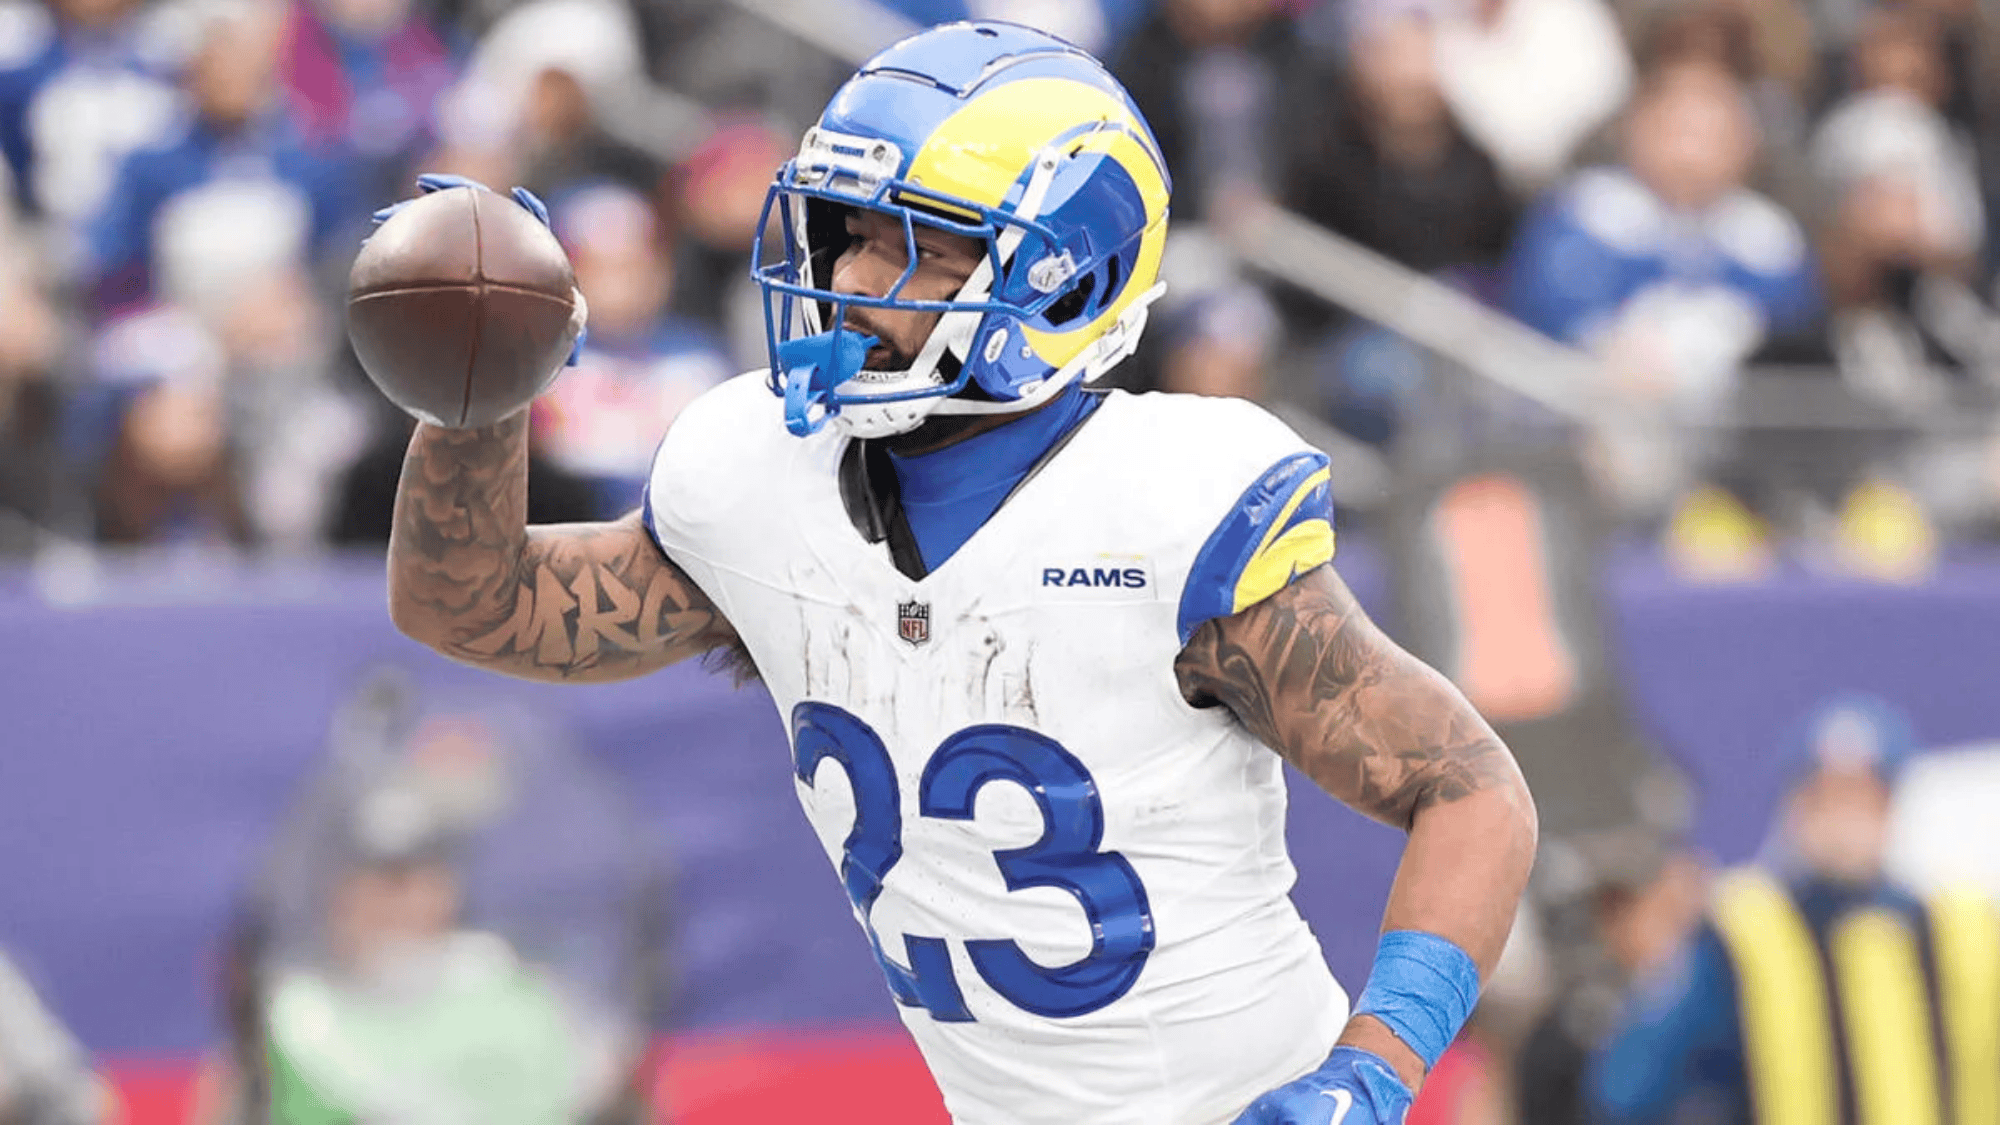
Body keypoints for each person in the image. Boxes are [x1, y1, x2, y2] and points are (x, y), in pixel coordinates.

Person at [379, 22, 1537, 1124]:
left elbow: (1470, 792)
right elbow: (470, 604)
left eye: (922, 250)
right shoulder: (754, 478)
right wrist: (476, 398)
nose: (859, 279)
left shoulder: (1165, 509)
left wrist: (1374, 1070)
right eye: (853, 233)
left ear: (1065, 281)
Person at [1588, 695, 2000, 1124]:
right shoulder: (1745, 931)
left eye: (1863, 799)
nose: (1845, 821)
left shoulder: (1963, 931)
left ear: (1891, 808)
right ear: (1795, 808)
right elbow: (1631, 1088)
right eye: (1827, 799)